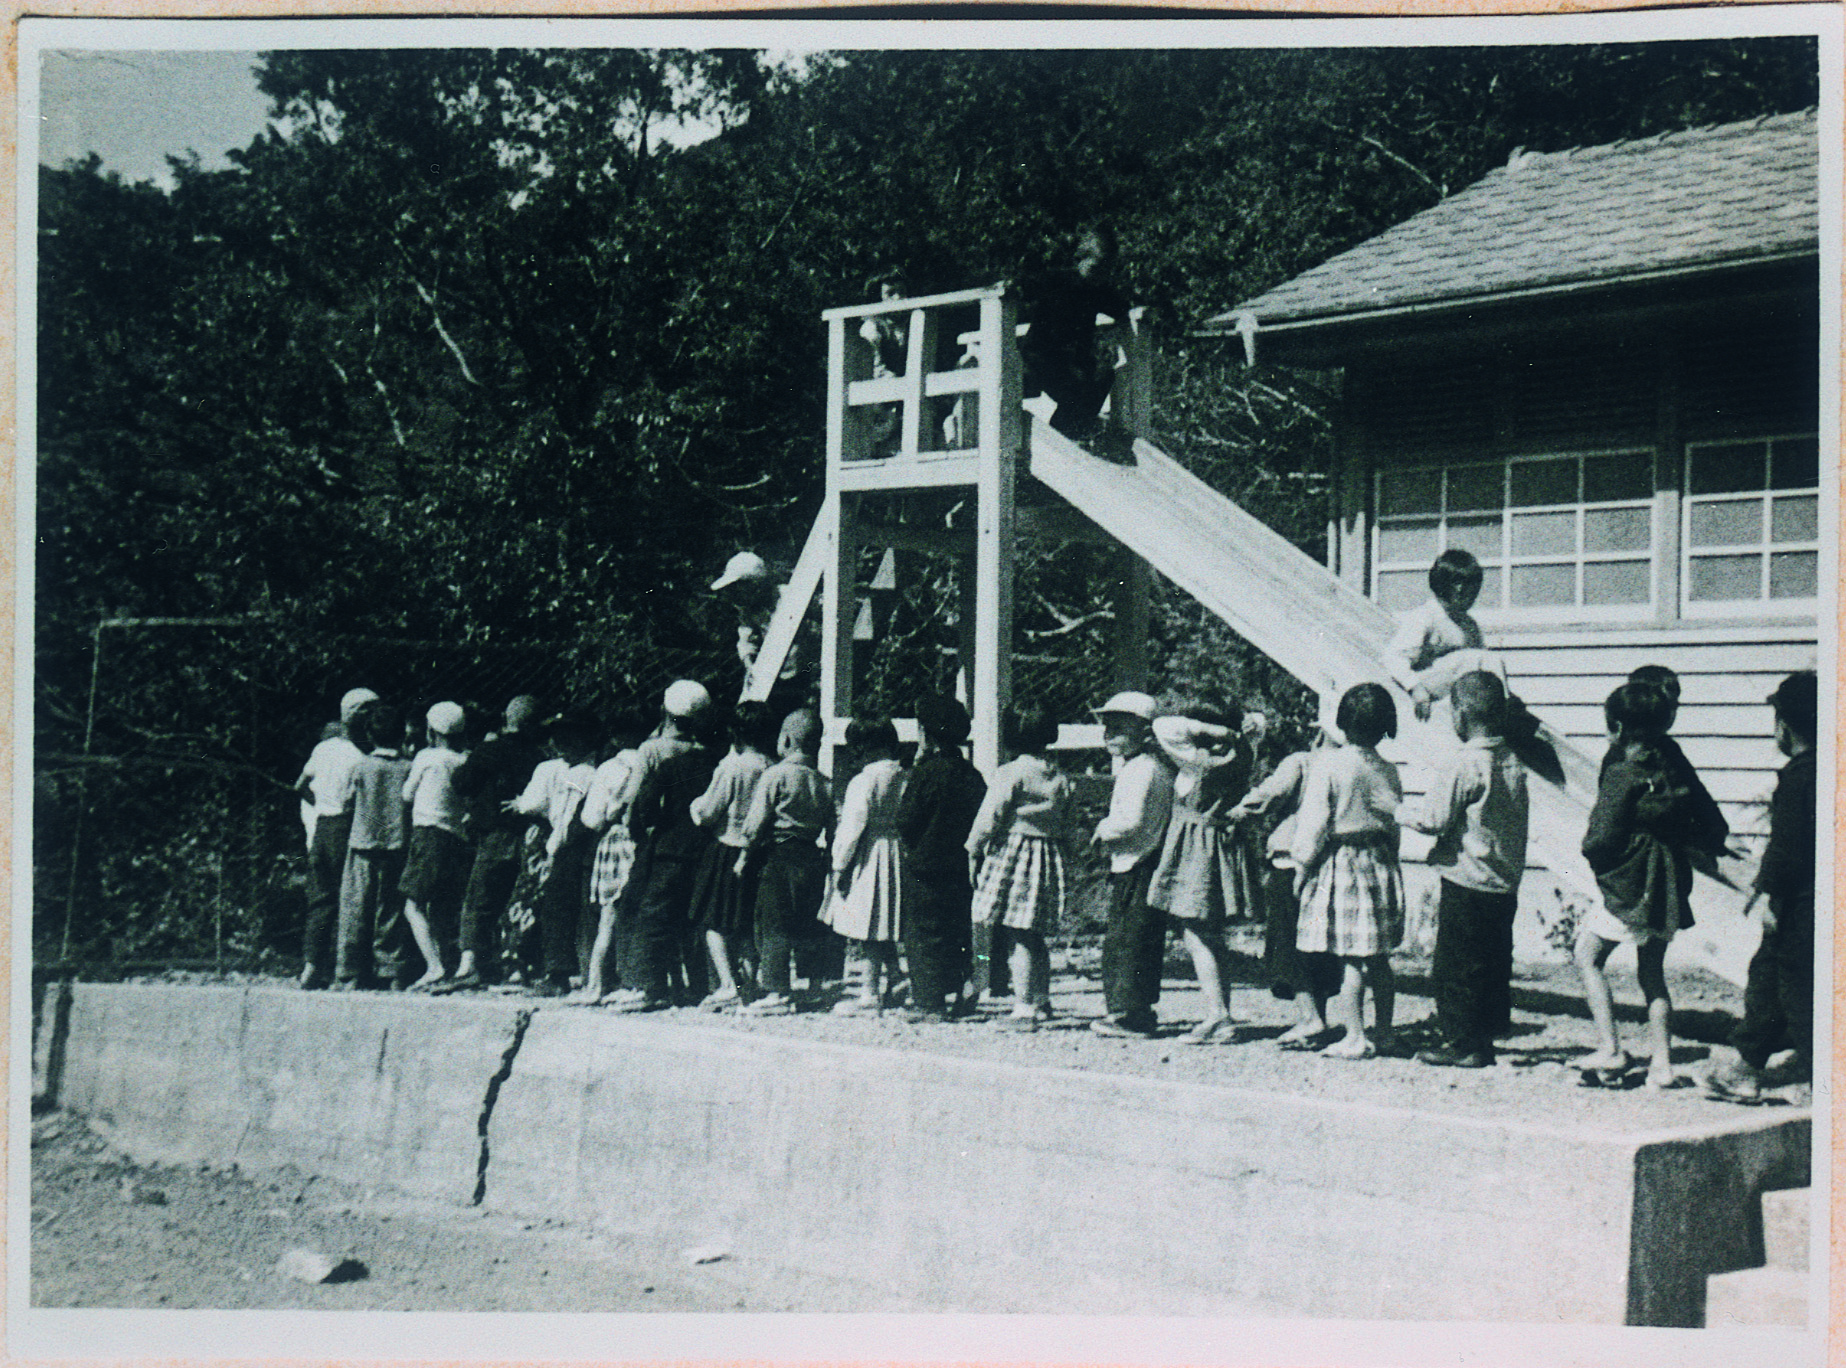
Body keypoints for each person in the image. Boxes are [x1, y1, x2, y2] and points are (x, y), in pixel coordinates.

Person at [1574, 680, 1728, 1089]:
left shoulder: (1622, 774)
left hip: (1631, 884)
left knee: (1587, 957)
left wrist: (1598, 861)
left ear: (1618, 728)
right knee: (1652, 973)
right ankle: (1662, 1066)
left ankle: (1611, 1049)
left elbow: (1600, 838)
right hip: (1668, 884)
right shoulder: (1669, 770)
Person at [1396, 672, 1529, 1069]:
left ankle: (1461, 1041)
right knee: (1492, 961)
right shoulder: (1512, 760)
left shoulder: (1464, 762)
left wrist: (1398, 812)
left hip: (1467, 876)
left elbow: (1435, 820)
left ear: (1461, 714)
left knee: (1454, 965)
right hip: (1503, 879)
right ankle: (1486, 1035)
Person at [1709, 672, 1817, 1102]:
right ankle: (1746, 1066)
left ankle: (1822, 1080)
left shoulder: (1799, 777)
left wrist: (1770, 894)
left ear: (1784, 726)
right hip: (1812, 898)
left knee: (1800, 987)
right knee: (1767, 976)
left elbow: (1789, 847)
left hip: (1801, 902)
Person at [1291, 683, 1405, 1060]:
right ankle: (1384, 1031)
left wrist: (1302, 865)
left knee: (1352, 958)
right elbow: (1394, 826)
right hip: (1379, 860)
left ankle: (1356, 1036)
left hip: (1343, 861)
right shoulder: (1388, 770)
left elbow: (1314, 822)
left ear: (1342, 722)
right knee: (1379, 957)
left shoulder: (1330, 764)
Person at [1148, 696, 1261, 1045]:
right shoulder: (1242, 752)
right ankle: (1220, 1014)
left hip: (1195, 848)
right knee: (1211, 935)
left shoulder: (1194, 759)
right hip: (1222, 846)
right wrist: (1235, 731)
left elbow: (1162, 725)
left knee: (1196, 934)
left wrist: (1210, 729)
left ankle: (1217, 1015)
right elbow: (1259, 724)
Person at [1227, 727, 1341, 1047]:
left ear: (1319, 736)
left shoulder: (1302, 761)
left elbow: (1271, 793)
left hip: (1291, 861)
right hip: (1329, 865)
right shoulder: (1348, 766)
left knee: (1288, 943)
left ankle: (1310, 1018)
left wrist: (1240, 811)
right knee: (1318, 944)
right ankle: (1319, 1017)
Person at [966, 705, 1077, 1030]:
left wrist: (974, 848)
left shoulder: (1011, 773)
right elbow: (1070, 823)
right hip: (1048, 856)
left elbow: (990, 816)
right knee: (1034, 934)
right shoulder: (1061, 777)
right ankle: (1041, 1000)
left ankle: (1024, 1006)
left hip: (1014, 855)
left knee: (1016, 934)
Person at [617, 681, 720, 1011]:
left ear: (665, 711)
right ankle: (699, 985)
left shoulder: (652, 750)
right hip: (701, 844)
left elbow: (636, 801)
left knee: (650, 913)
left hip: (663, 844)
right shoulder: (711, 756)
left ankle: (646, 984)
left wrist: (641, 834)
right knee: (691, 917)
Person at [437, 695, 546, 993]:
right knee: (518, 899)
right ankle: (516, 965)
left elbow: (461, 782)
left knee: (480, 897)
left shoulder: (490, 749)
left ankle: (470, 964)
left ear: (507, 718)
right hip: (528, 834)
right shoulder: (538, 755)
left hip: (494, 833)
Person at [1089, 691, 1176, 1039]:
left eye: (1121, 727)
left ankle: (1131, 1013)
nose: (1110, 734)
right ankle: (1132, 1009)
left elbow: (1133, 821)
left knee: (1131, 940)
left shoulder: (1145, 769)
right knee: (1130, 937)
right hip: (1133, 861)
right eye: (1108, 726)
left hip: (1140, 862)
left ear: (1146, 732)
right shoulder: (1140, 766)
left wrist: (1103, 829)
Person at [736, 708, 834, 1016]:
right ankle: (816, 986)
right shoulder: (824, 782)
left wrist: (744, 855)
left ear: (787, 740)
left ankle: (777, 990)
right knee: (810, 922)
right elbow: (834, 827)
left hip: (779, 854)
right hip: (812, 855)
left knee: (774, 922)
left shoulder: (775, 775)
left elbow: (755, 824)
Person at [896, 694, 988, 1022]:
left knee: (924, 933)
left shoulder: (926, 773)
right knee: (957, 928)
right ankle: (962, 986)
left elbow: (905, 820)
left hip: (925, 865)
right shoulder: (971, 774)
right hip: (961, 866)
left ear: (925, 733)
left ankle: (929, 1001)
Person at [688, 702, 776, 1009]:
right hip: (760, 851)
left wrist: (695, 808)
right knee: (746, 921)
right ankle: (748, 984)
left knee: (715, 921)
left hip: (727, 848)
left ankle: (728, 984)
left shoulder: (732, 767)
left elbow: (709, 812)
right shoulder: (772, 766)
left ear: (735, 733)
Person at [823, 715, 908, 1016]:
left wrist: (839, 864)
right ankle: (895, 975)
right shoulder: (904, 776)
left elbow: (852, 826)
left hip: (869, 852)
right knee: (883, 918)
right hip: (898, 850)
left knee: (869, 923)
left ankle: (869, 994)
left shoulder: (863, 781)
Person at [293, 687, 375, 990]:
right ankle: (348, 969)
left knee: (321, 899)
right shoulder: (361, 757)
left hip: (322, 827)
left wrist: (322, 806)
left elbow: (300, 785)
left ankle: (312, 967)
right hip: (345, 827)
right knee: (352, 898)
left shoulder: (323, 748)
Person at [1018, 225, 1133, 438]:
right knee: (1081, 384)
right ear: (1081, 259)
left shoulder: (1097, 290)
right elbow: (1032, 296)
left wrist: (1130, 314)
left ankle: (1065, 431)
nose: (1100, 275)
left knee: (1103, 376)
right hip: (1042, 357)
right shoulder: (1058, 281)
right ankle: (1063, 433)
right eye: (1096, 268)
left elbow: (1121, 307)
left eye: (1106, 271)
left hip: (1070, 361)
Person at [334, 700, 413, 989]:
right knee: (390, 910)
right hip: (396, 847)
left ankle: (350, 972)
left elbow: (345, 802)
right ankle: (391, 971)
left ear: (369, 735)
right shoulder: (408, 768)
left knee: (355, 908)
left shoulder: (361, 766)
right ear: (402, 735)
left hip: (362, 846)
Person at [573, 710, 650, 1003]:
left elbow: (592, 818)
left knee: (607, 918)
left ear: (615, 736)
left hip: (616, 841)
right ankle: (631, 980)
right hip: (644, 842)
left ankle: (595, 985)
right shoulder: (651, 761)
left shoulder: (610, 767)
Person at [522, 711, 600, 997]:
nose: (561, 745)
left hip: (569, 846)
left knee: (557, 908)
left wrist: (554, 848)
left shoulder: (580, 774)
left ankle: (558, 974)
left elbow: (567, 817)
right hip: (582, 846)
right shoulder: (589, 769)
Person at [398, 701, 472, 989]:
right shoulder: (465, 760)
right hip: (455, 837)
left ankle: (434, 966)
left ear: (432, 731)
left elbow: (407, 794)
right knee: (443, 905)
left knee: (413, 905)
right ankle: (449, 963)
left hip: (427, 834)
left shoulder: (426, 757)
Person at [1383, 549, 1503, 723]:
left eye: (1474, 590)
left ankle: (1500, 712)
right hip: (1422, 686)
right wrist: (1415, 688)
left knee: (1488, 661)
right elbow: (1392, 658)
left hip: (1453, 690)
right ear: (1453, 587)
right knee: (1477, 658)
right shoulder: (1425, 616)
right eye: (1464, 588)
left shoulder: (1468, 624)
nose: (1471, 596)